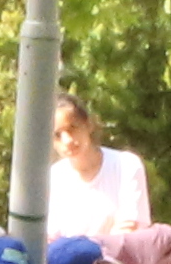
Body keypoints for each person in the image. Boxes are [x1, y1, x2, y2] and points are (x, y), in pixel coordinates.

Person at [43, 97, 152, 247]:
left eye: (72, 128)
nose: (67, 140)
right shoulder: (54, 176)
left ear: (88, 125)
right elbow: (52, 240)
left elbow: (129, 233)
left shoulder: (126, 165)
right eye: (57, 135)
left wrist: (78, 246)